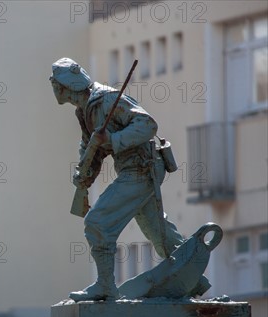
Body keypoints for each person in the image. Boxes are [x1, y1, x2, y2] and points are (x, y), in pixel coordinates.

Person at [49, 57, 185, 302]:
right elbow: (91, 147)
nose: (53, 89)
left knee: (98, 222)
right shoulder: (84, 111)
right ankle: (193, 275)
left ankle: (105, 286)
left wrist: (112, 141)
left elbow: (147, 124)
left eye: (54, 83)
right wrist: (85, 174)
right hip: (133, 170)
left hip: (142, 169)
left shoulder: (108, 99)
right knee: (157, 231)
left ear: (62, 87)